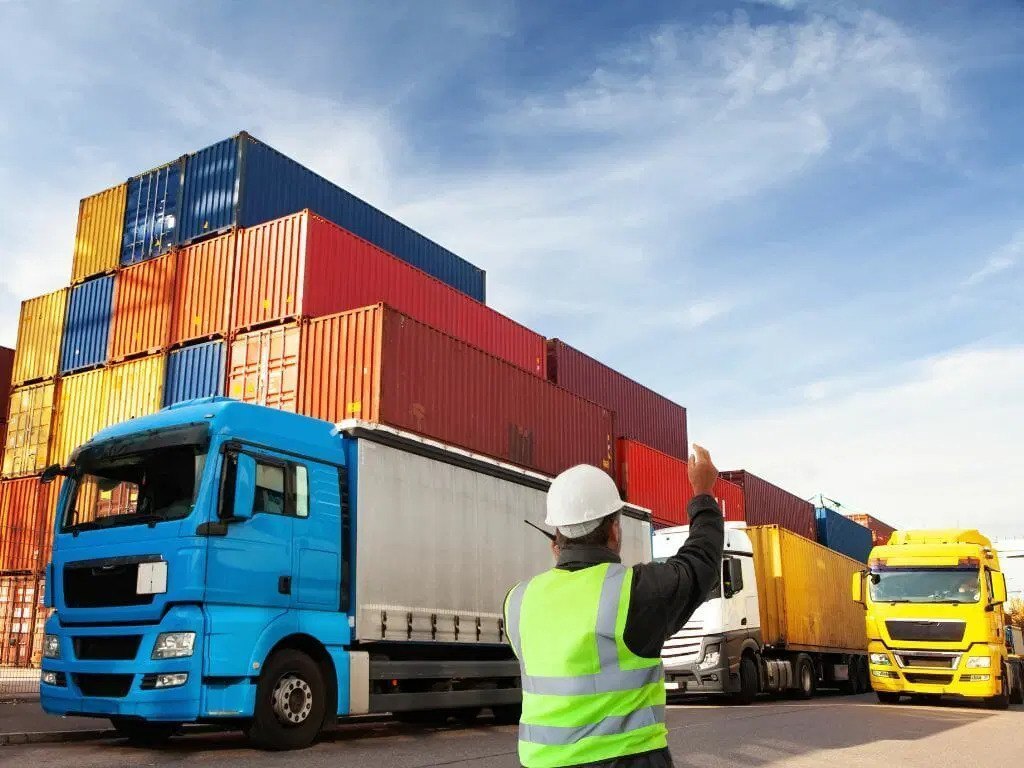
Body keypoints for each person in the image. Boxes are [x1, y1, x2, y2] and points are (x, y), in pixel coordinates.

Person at [504, 445, 724, 768]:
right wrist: (703, 493)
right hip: (627, 760)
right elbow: (699, 562)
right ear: (614, 531)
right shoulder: (635, 592)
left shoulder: (518, 601)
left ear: (557, 537)